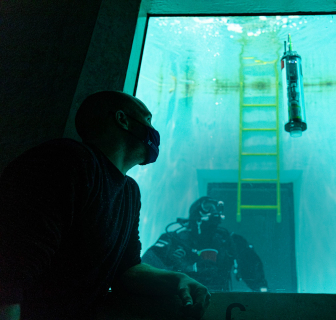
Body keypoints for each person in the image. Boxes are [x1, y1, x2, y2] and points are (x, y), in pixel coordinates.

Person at [0, 91, 210, 320]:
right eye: (147, 119)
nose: (152, 130)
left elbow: (126, 268)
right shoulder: (66, 161)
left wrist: (178, 279)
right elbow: (11, 272)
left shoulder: (130, 192)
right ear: (122, 120)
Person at [142, 196, 268, 293]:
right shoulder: (173, 240)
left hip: (221, 301)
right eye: (207, 207)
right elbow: (147, 268)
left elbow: (253, 270)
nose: (214, 212)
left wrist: (264, 295)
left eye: (217, 208)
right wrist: (186, 268)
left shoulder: (230, 241)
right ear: (196, 214)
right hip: (181, 300)